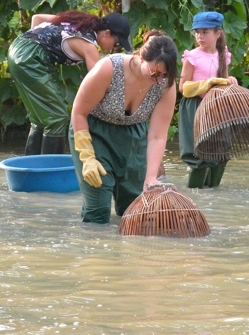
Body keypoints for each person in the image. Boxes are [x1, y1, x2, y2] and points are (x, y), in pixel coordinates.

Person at [69, 30, 178, 224]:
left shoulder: (166, 85)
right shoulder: (109, 68)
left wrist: (151, 177)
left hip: (133, 136)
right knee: (98, 210)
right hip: (94, 132)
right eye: (155, 73)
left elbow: (158, 136)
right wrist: (87, 157)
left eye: (165, 75)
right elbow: (78, 112)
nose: (159, 80)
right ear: (142, 58)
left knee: (134, 209)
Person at [7, 11, 132, 156]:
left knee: (40, 117)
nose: (113, 48)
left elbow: (38, 18)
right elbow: (98, 82)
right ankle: (50, 171)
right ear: (107, 33)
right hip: (30, 58)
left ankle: (31, 166)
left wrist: (37, 40)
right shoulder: (89, 46)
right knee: (57, 116)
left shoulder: (77, 23)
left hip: (18, 48)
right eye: (116, 43)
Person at [178, 11, 237, 189]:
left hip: (217, 107)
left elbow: (223, 80)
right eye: (197, 32)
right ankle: (197, 196)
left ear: (217, 34)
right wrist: (206, 84)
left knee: (220, 153)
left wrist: (231, 80)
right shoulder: (192, 56)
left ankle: (213, 196)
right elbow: (183, 87)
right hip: (195, 106)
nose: (200, 36)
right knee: (198, 155)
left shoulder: (223, 54)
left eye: (205, 32)